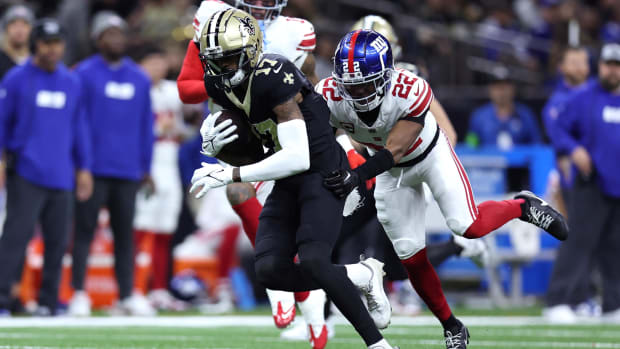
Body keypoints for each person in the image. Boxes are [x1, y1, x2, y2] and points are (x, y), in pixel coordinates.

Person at [318, 29, 569, 349]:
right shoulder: (329, 94)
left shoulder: (410, 89)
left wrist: (355, 177)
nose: (358, 92)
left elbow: (393, 150)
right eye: (350, 84)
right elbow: (325, 141)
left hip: (427, 155)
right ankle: (452, 325)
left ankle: (522, 206)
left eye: (365, 83)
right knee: (410, 256)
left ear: (385, 75)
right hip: (390, 174)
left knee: (468, 225)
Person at [190, 9, 397, 349]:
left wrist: (231, 173)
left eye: (228, 59)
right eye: (214, 60)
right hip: (287, 179)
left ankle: (378, 345)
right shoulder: (217, 83)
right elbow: (258, 151)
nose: (221, 69)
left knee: (315, 261)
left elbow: (297, 156)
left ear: (251, 50)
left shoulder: (275, 73)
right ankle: (361, 274)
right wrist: (219, 152)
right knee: (269, 270)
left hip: (324, 173)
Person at [178, 1, 329, 346]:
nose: (260, 5)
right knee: (239, 193)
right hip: (238, 132)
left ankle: (314, 303)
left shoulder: (296, 31)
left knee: (300, 223)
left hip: (282, 132)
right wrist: (229, 75)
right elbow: (186, 88)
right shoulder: (213, 19)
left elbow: (310, 84)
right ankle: (282, 284)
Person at [0, 18, 93, 316]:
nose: (53, 49)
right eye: (46, 43)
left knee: (57, 242)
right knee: (15, 239)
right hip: (26, 171)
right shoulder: (16, 79)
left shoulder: (71, 82)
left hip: (62, 174)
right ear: (35, 45)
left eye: (57, 43)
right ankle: (2, 299)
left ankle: (49, 302)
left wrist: (84, 168)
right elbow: (2, 123)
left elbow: (79, 127)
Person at [68, 11, 155, 317]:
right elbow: (76, 122)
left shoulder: (139, 78)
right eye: (109, 34)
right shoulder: (83, 74)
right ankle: (78, 292)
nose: (116, 39)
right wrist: (81, 166)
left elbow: (147, 125)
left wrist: (146, 166)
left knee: (124, 235)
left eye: (120, 33)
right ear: (97, 39)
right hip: (93, 170)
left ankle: (127, 295)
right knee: (84, 232)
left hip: (128, 170)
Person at [544, 42, 620, 323]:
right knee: (578, 241)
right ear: (599, 67)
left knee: (614, 246)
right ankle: (558, 300)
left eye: (617, 66)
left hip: (618, 184)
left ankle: (613, 304)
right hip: (592, 182)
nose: (612, 71)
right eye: (608, 65)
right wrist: (573, 148)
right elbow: (556, 124)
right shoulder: (584, 97)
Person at [133, 45, 185, 310]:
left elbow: (189, 120)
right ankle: (134, 289)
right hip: (148, 163)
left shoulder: (171, 91)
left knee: (165, 231)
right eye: (150, 62)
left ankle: (159, 289)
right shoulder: (135, 90)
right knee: (141, 230)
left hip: (170, 162)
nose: (156, 68)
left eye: (159, 62)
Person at [542, 46, 592, 211]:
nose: (579, 67)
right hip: (574, 175)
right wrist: (574, 149)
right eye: (573, 62)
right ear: (561, 67)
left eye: (582, 62)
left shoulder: (600, 94)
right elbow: (556, 135)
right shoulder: (557, 103)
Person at [467, 68, 542, 148]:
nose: (501, 92)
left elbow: (537, 146)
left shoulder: (526, 115)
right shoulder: (479, 117)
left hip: (519, 160)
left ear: (513, 89)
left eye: (504, 86)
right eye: (497, 87)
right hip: (489, 159)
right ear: (490, 90)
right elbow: (470, 146)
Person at [0, 5, 34, 77]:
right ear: (6, 29)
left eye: (25, 24)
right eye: (14, 24)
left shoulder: (38, 59)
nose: (19, 29)